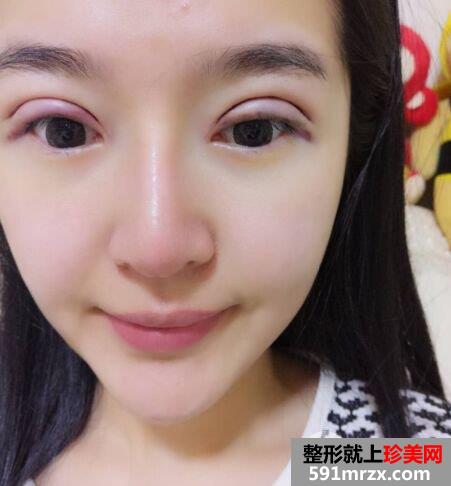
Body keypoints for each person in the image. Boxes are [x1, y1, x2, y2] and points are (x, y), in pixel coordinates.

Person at [0, 0, 449, 485]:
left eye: (253, 131)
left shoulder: (400, 460)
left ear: (352, 146)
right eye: (63, 132)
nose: (158, 250)